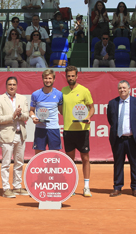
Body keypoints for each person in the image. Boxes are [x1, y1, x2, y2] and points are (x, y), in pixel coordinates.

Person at [107, 80, 136, 197]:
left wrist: (134, 131)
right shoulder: (112, 103)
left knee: (135, 164)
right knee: (118, 164)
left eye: (124, 88)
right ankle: (117, 187)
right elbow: (111, 120)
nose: (122, 90)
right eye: (120, 88)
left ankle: (135, 188)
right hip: (118, 139)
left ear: (129, 89)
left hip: (133, 139)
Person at [0, 76, 29, 198]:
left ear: (17, 86)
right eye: (9, 85)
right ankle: (6, 188)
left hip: (20, 135)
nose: (12, 87)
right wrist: (12, 116)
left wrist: (19, 115)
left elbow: (26, 116)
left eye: (14, 84)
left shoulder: (22, 98)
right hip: (7, 136)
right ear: (6, 86)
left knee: (19, 162)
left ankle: (17, 186)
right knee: (6, 163)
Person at [62, 66, 95, 197]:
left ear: (76, 76)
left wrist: (88, 117)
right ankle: (72, 186)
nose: (70, 78)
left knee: (85, 158)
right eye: (68, 76)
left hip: (82, 130)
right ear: (66, 77)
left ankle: (86, 186)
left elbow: (91, 107)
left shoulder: (84, 91)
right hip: (68, 130)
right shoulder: (62, 91)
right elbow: (60, 108)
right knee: (70, 160)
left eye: (72, 76)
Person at [30, 69, 63, 154]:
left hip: (54, 128)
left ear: (54, 79)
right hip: (40, 128)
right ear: (42, 79)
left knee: (54, 156)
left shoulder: (59, 94)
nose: (47, 80)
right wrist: (34, 118)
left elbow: (62, 111)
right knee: (38, 156)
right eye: (45, 78)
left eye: (50, 78)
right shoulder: (35, 94)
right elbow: (31, 111)